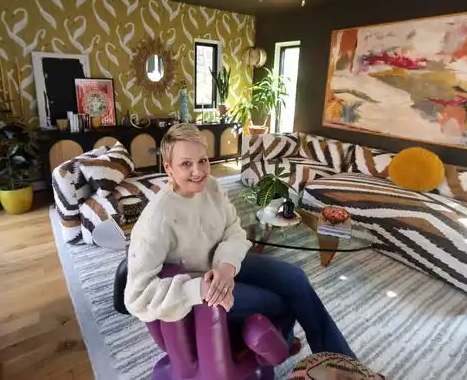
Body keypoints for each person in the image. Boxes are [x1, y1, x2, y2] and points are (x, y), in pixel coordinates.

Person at [124, 123, 356, 358]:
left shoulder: (212, 187)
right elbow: (136, 297)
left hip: (224, 266)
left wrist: (226, 266)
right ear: (169, 168)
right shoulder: (157, 219)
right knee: (278, 302)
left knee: (295, 279)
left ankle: (340, 361)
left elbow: (234, 230)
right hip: (202, 290)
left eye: (202, 161)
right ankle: (281, 343)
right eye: (186, 164)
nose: (198, 171)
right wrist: (197, 289)